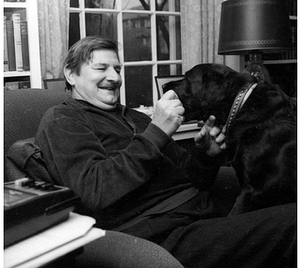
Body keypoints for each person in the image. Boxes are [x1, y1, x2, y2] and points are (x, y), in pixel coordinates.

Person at [35, 36, 295, 268]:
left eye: (117, 68)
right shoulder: (63, 119)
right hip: (162, 236)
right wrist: (157, 131)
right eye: (101, 68)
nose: (114, 77)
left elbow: (192, 180)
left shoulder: (134, 117)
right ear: (71, 74)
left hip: (202, 215)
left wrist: (207, 156)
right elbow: (94, 191)